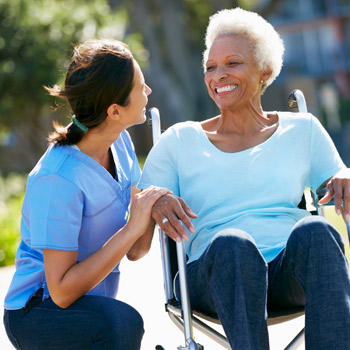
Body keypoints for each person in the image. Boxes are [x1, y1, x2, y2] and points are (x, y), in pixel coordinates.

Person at [138, 8, 350, 350]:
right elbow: (137, 245)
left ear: (264, 70)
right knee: (234, 244)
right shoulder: (178, 141)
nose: (218, 75)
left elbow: (338, 180)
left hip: (285, 273)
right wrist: (153, 200)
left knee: (318, 231)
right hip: (213, 273)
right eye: (210, 67)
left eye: (232, 63)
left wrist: (344, 175)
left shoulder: (304, 130)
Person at [3, 39, 171, 350]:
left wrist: (155, 195)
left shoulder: (120, 143)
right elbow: (62, 292)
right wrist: (132, 227)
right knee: (120, 323)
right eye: (140, 86)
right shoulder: (57, 178)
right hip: (38, 312)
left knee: (118, 322)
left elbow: (136, 250)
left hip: (89, 306)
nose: (148, 92)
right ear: (115, 111)